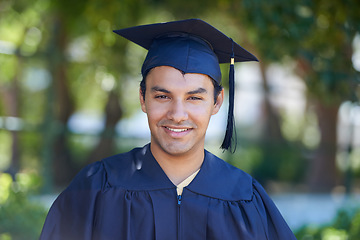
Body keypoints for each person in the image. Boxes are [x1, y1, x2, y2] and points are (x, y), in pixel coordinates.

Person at [40, 19, 297, 240]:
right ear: (143, 98)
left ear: (217, 102)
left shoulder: (244, 198)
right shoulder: (96, 188)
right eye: (163, 96)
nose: (177, 115)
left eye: (194, 98)